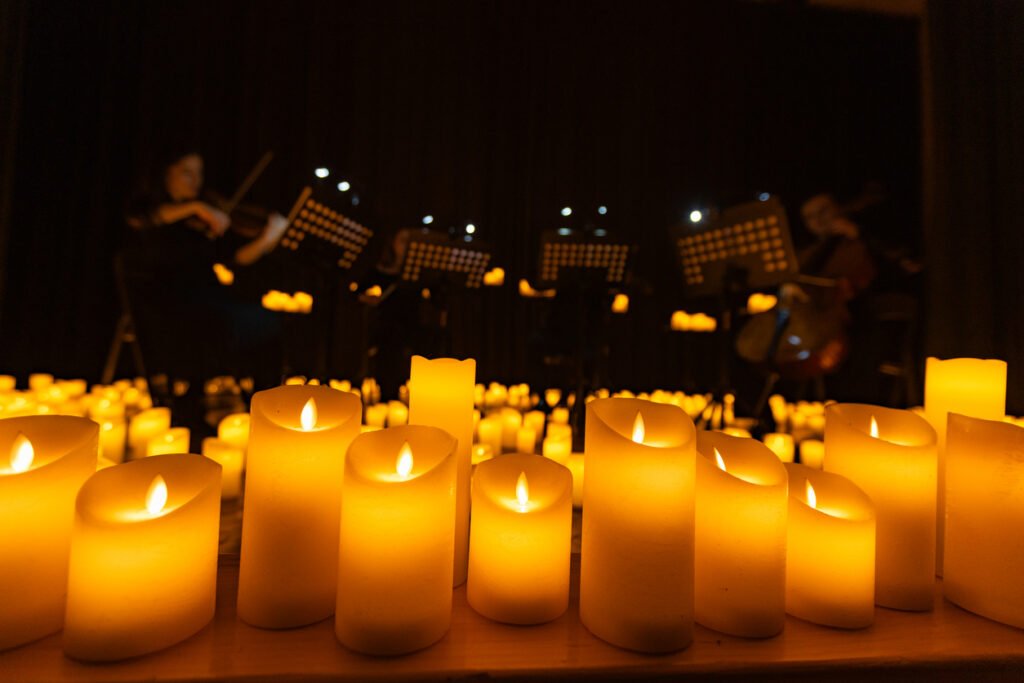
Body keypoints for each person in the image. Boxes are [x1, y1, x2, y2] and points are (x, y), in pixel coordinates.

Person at [123, 148, 288, 395]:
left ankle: (261, 401)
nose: (196, 181)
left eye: (199, 174)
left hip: (208, 303)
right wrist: (195, 207)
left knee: (267, 319)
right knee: (251, 322)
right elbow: (143, 219)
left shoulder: (202, 222)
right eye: (187, 173)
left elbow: (235, 259)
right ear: (165, 175)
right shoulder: (150, 214)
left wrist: (266, 239)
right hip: (174, 308)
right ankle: (202, 397)